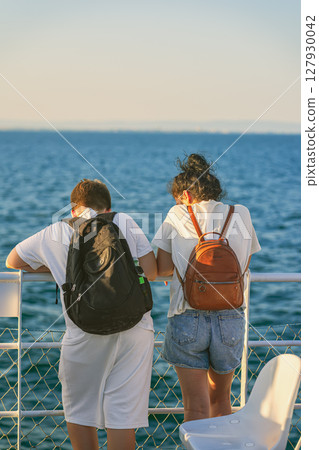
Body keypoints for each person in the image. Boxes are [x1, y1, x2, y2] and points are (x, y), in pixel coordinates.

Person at [6, 179, 157, 450]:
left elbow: (13, 260)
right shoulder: (124, 220)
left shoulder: (55, 230)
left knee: (80, 412)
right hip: (134, 327)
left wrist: (54, 269)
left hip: (84, 330)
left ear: (74, 208)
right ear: (107, 207)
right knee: (122, 416)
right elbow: (153, 272)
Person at [152, 154, 261, 422]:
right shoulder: (241, 213)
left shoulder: (177, 214)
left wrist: (180, 271)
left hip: (187, 316)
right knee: (221, 402)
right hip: (230, 317)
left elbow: (162, 268)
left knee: (195, 408)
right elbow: (244, 265)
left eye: (177, 198)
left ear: (186, 195)